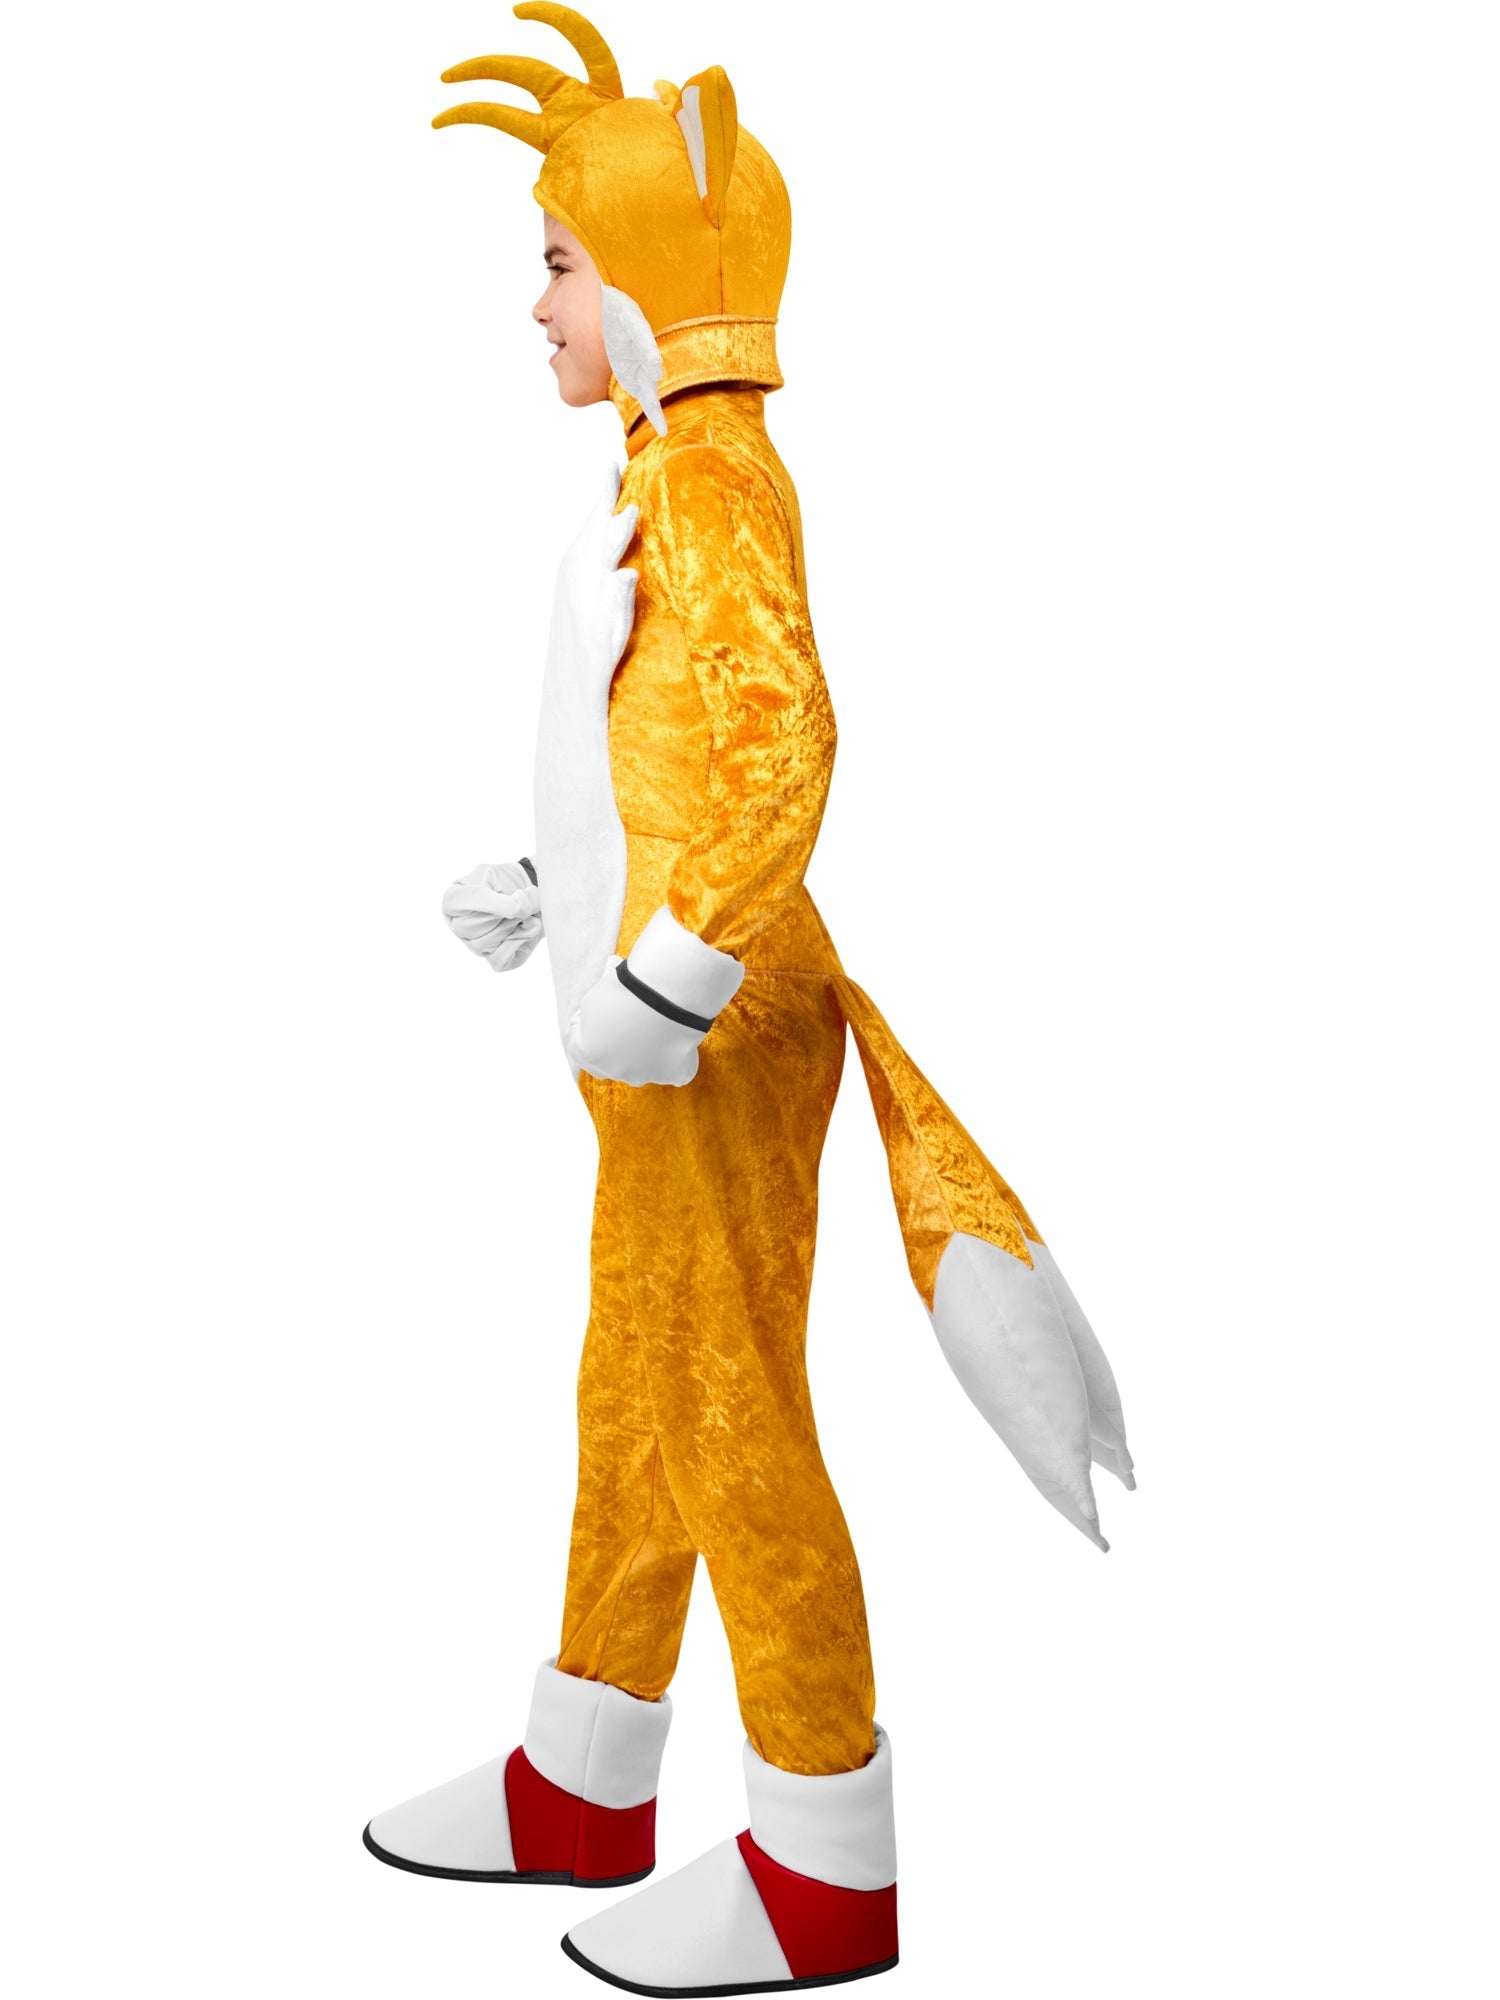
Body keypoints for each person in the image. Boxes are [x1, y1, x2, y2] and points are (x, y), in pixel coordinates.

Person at [365, 9, 1135, 1992]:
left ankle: (820, 1862)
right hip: (664, 1018)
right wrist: (561, 884)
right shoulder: (667, 466)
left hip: (710, 1029)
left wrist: (669, 967)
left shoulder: (711, 478)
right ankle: (582, 1774)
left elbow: (790, 750)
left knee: (727, 1413)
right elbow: (684, 753)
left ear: (646, 276)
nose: (537, 303)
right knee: (638, 1392)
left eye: (559, 261)